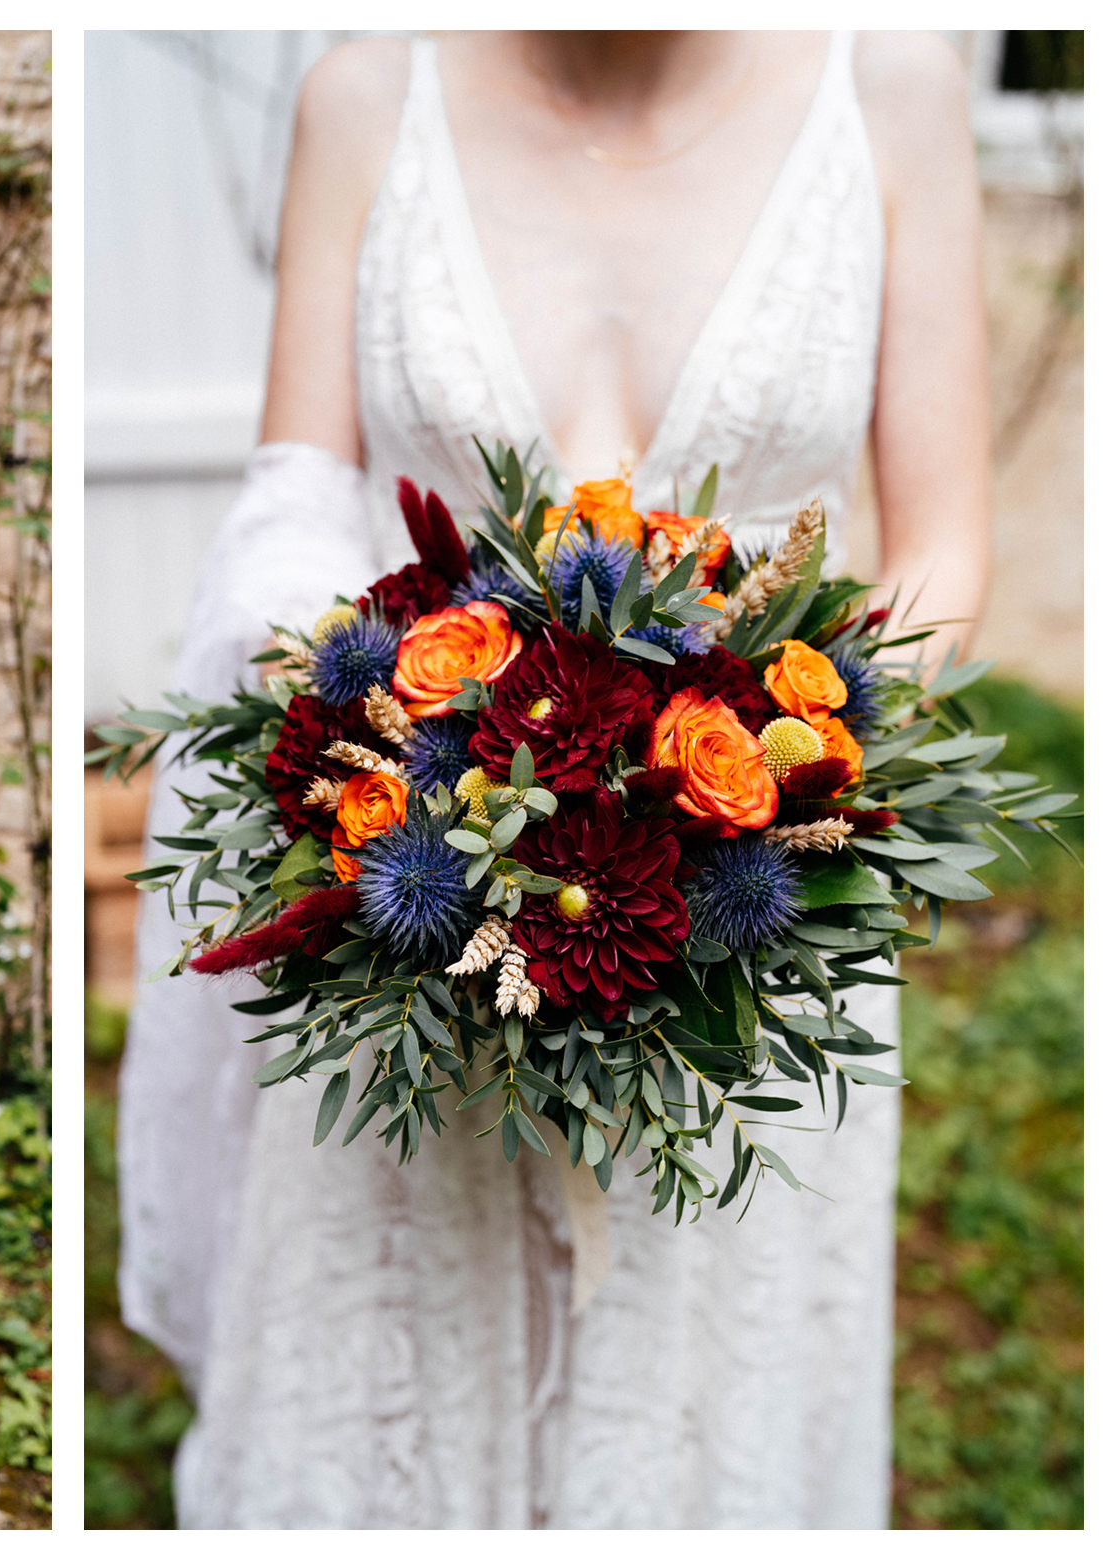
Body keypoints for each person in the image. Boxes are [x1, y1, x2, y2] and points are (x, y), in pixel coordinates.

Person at [118, 31, 990, 1528]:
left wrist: (788, 773)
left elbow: (942, 549)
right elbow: (299, 494)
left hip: (744, 933)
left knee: (704, 1413)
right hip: (418, 914)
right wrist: (377, 723)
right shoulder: (364, 95)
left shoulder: (892, 91)